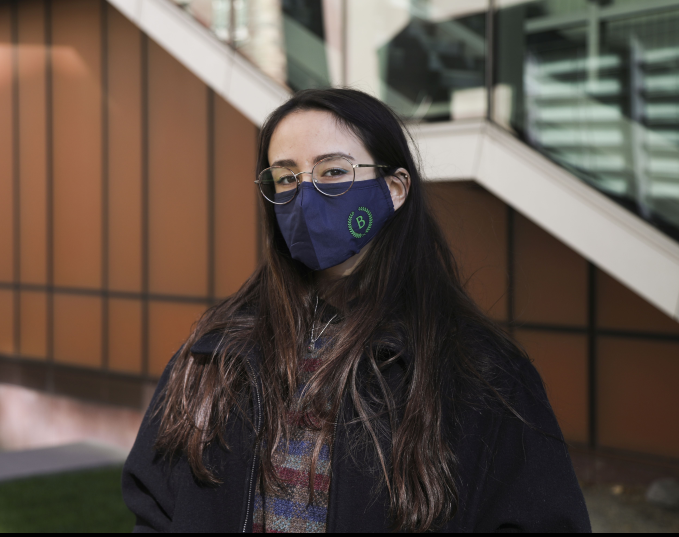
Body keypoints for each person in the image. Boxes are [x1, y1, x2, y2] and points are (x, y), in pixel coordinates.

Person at [122, 88, 591, 533]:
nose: (305, 196)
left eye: (332, 172)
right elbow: (154, 504)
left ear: (395, 188)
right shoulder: (215, 350)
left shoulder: (479, 370)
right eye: (286, 177)